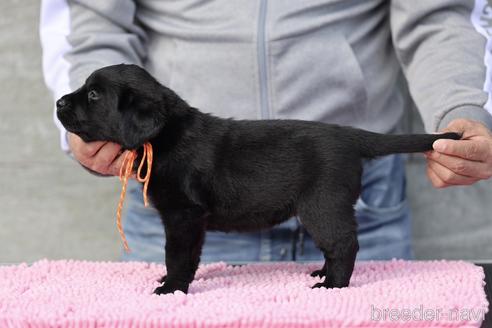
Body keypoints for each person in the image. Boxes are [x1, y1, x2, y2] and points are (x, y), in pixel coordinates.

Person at [40, 0, 492, 263]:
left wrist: (460, 105)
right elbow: (91, 19)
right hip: (180, 188)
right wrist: (88, 127)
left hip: (350, 192)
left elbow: (440, 15)